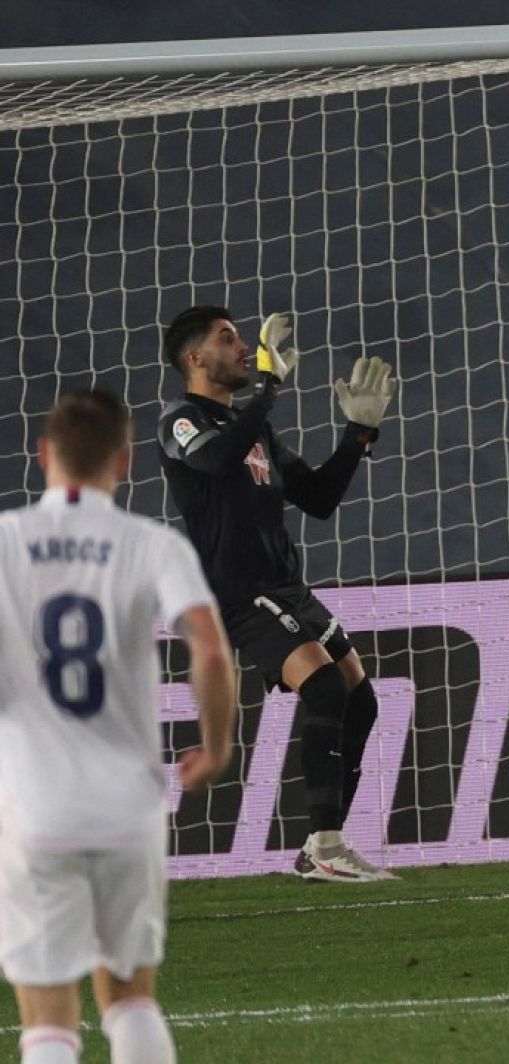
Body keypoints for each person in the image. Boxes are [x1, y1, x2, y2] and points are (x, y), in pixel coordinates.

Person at [0, 390, 237, 1064]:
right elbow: (212, 649)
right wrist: (217, 745)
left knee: (47, 1018)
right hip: (127, 808)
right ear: (125, 461)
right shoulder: (152, 544)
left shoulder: (6, 541)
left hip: (33, 807)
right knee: (131, 999)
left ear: (43, 455)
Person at [158, 306, 398, 881]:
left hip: (287, 586)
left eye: (241, 337)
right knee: (322, 686)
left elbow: (317, 498)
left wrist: (357, 434)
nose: (242, 346)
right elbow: (215, 460)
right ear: (195, 358)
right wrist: (268, 390)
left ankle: (324, 846)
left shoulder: (256, 429)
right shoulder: (180, 420)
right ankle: (325, 847)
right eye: (228, 338)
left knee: (359, 700)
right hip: (240, 594)